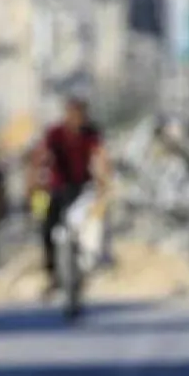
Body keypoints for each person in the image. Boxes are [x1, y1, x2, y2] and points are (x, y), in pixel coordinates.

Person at [39, 96, 109, 292]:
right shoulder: (55, 134)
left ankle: (95, 263)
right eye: (73, 114)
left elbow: (101, 156)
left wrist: (104, 180)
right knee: (47, 228)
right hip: (58, 189)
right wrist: (40, 174)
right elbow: (43, 155)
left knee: (95, 224)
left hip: (83, 189)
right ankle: (52, 273)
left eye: (80, 115)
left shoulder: (91, 133)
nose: (77, 119)